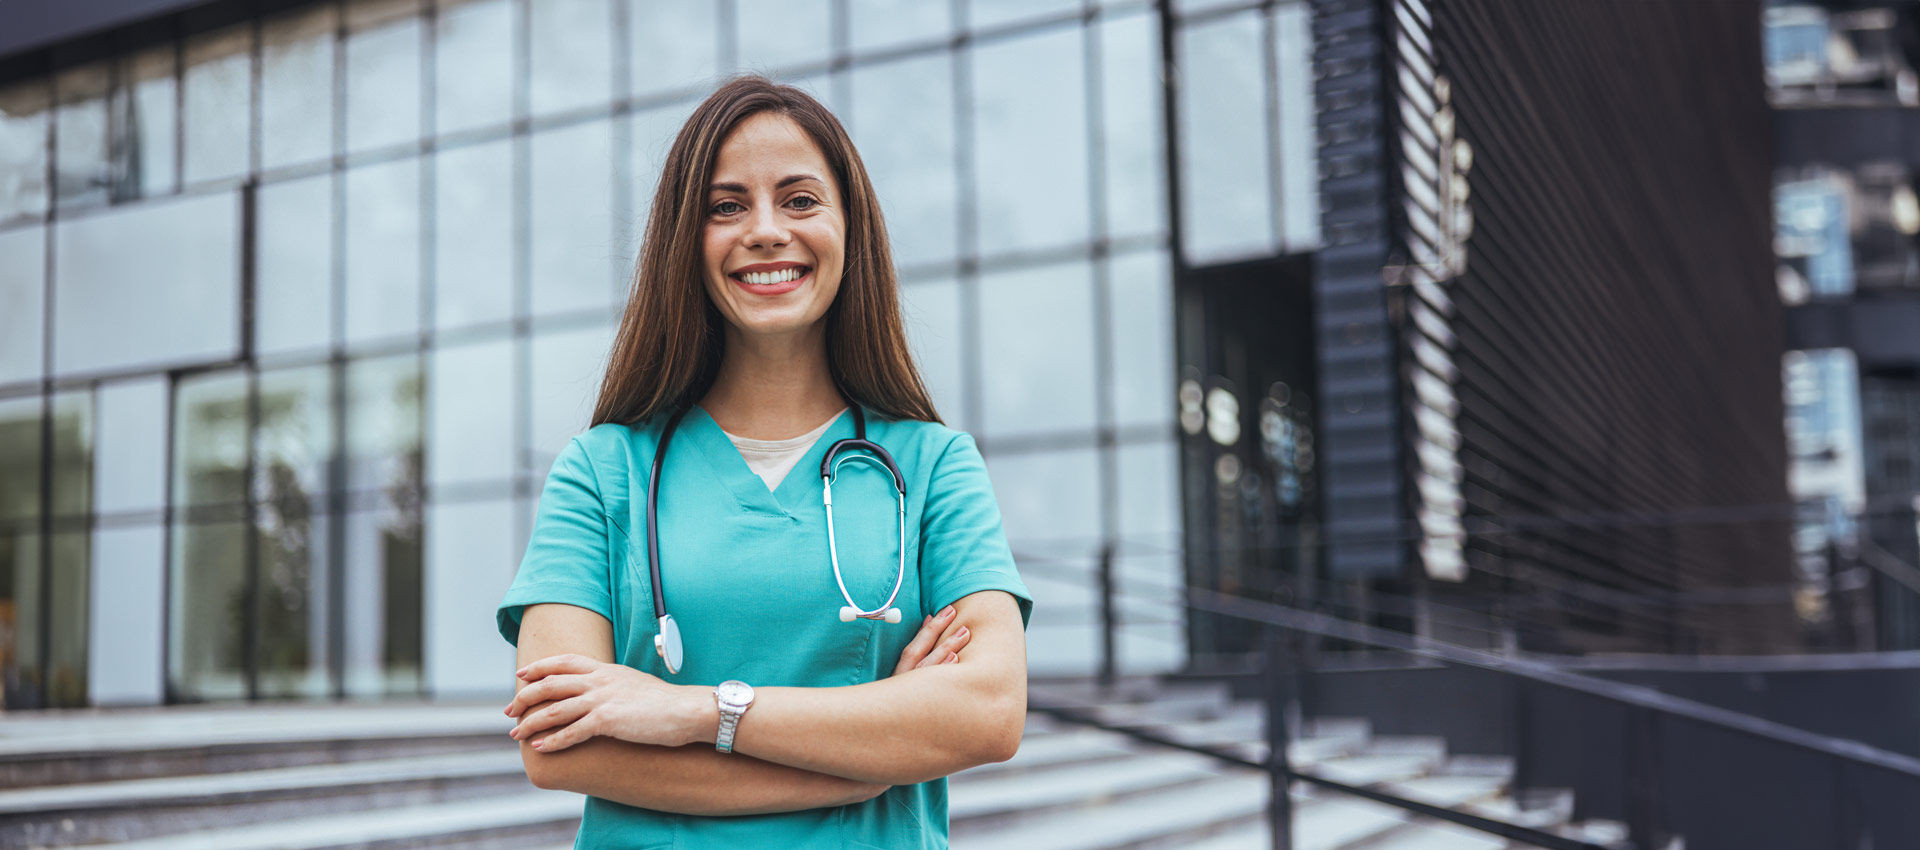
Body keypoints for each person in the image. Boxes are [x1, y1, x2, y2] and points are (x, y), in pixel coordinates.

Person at [494, 75, 1033, 849]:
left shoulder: (935, 464)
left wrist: (698, 710)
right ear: (688, 237)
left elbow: (986, 711)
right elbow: (557, 743)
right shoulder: (601, 471)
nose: (767, 230)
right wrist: (869, 761)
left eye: (801, 199)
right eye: (726, 205)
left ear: (852, 228)